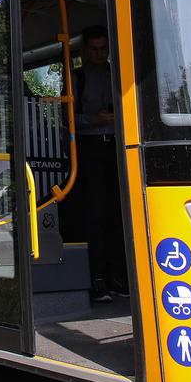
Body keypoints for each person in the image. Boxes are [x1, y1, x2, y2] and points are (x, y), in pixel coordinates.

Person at [74, 24, 128, 302]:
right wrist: (95, 119)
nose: (99, 54)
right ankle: (97, 278)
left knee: (120, 212)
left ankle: (120, 277)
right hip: (90, 148)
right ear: (84, 50)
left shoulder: (117, 74)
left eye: (103, 48)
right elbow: (68, 118)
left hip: (117, 147)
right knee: (96, 213)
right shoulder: (78, 78)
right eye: (94, 49)